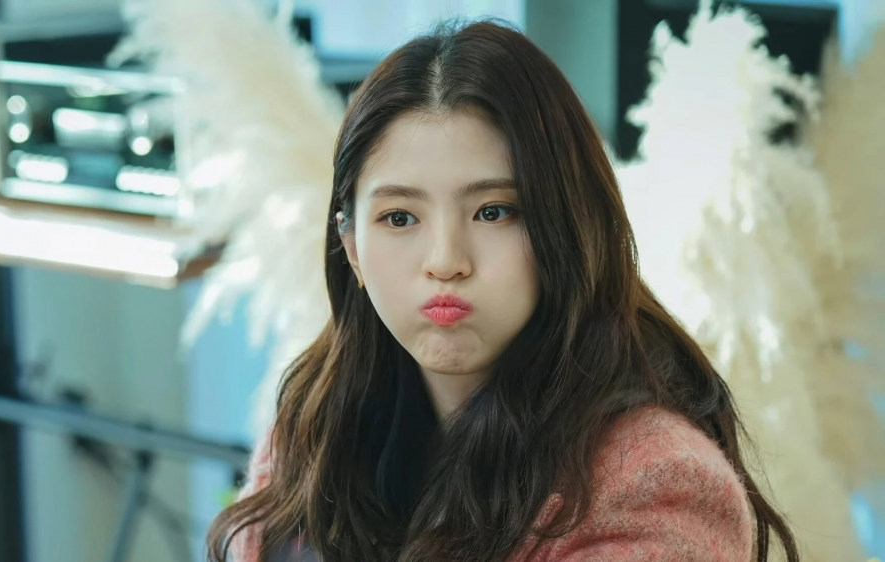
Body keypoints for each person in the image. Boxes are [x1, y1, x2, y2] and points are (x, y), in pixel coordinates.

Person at [208, 20, 799, 562]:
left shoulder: (654, 485)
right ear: (352, 247)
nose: (446, 262)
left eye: (494, 212)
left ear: (567, 228)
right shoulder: (309, 426)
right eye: (399, 218)